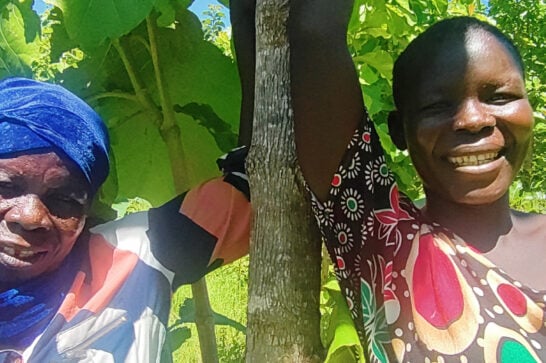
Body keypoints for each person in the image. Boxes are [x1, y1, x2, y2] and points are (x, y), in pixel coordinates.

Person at [232, 0, 545, 361]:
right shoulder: (382, 242)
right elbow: (314, 29)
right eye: (438, 107)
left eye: (500, 97)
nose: (474, 120)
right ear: (399, 131)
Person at [0, 77, 251, 361]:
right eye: (5, 187)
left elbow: (266, 176)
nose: (30, 217)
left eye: (65, 199)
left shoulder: (134, 259)